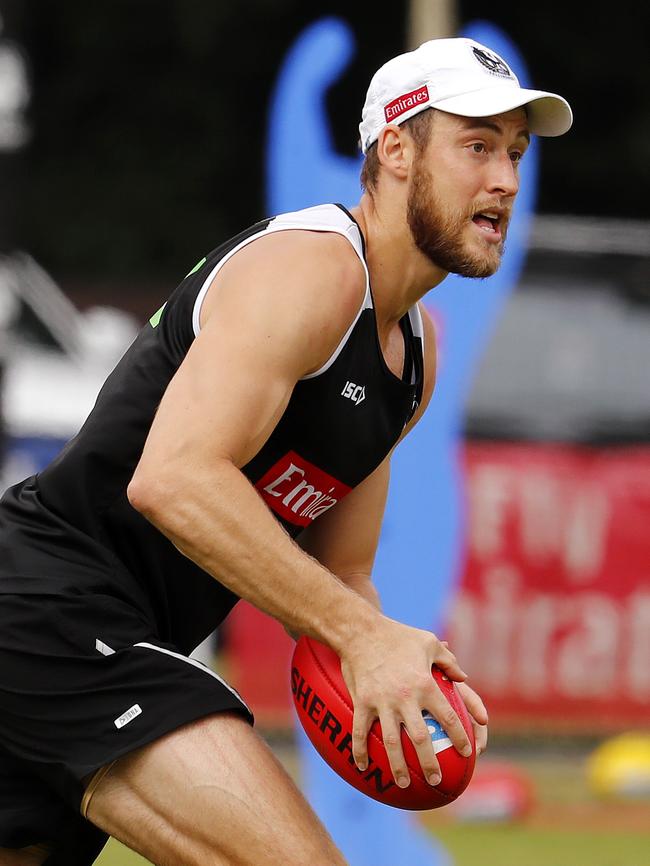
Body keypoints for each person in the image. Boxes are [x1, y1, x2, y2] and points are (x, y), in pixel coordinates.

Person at [0, 36, 572, 866]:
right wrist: (358, 637)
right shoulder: (313, 270)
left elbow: (344, 578)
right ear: (397, 150)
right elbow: (175, 479)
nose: (507, 181)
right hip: (55, 608)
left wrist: (387, 678)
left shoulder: (414, 356)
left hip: (97, 637)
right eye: (477, 146)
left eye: (515, 154)